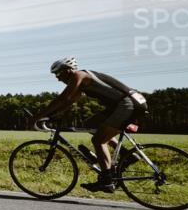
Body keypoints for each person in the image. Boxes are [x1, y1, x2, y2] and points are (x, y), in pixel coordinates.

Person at [29, 57, 147, 193]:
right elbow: (70, 101)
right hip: (127, 103)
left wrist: (36, 117)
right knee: (91, 124)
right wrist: (52, 116)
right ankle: (126, 155)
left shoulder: (79, 75)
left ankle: (107, 181)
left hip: (127, 104)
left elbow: (63, 98)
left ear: (68, 70)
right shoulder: (83, 79)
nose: (57, 78)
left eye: (58, 74)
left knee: (98, 140)